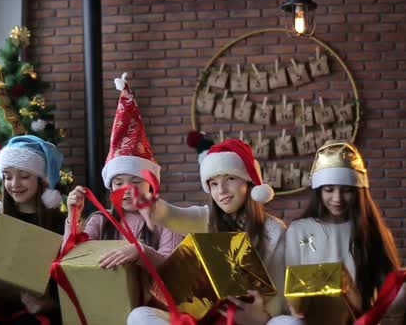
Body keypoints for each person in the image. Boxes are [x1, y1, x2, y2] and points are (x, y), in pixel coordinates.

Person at [127, 138, 301, 325]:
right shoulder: (206, 218)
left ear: (249, 182)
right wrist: (152, 206)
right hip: (207, 318)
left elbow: (281, 289)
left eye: (230, 179)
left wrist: (262, 317)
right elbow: (173, 215)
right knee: (139, 316)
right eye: (214, 184)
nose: (222, 191)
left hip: (255, 318)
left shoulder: (274, 230)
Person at [285, 140, 406, 324]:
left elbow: (385, 302)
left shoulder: (373, 233)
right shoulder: (298, 230)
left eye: (347, 190)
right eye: (329, 190)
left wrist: (402, 294)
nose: (337, 198)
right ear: (318, 191)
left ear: (358, 192)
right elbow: (288, 287)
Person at [65, 73, 181, 270]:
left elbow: (174, 267)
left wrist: (142, 252)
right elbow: (73, 259)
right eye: (118, 183)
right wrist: (73, 214)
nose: (126, 189)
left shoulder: (167, 221)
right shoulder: (100, 222)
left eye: (135, 182)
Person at [0, 135, 65, 324]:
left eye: (24, 176)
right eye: (7, 176)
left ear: (41, 179)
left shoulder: (60, 224)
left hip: (38, 316)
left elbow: (68, 284)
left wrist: (50, 303)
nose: (14, 184)